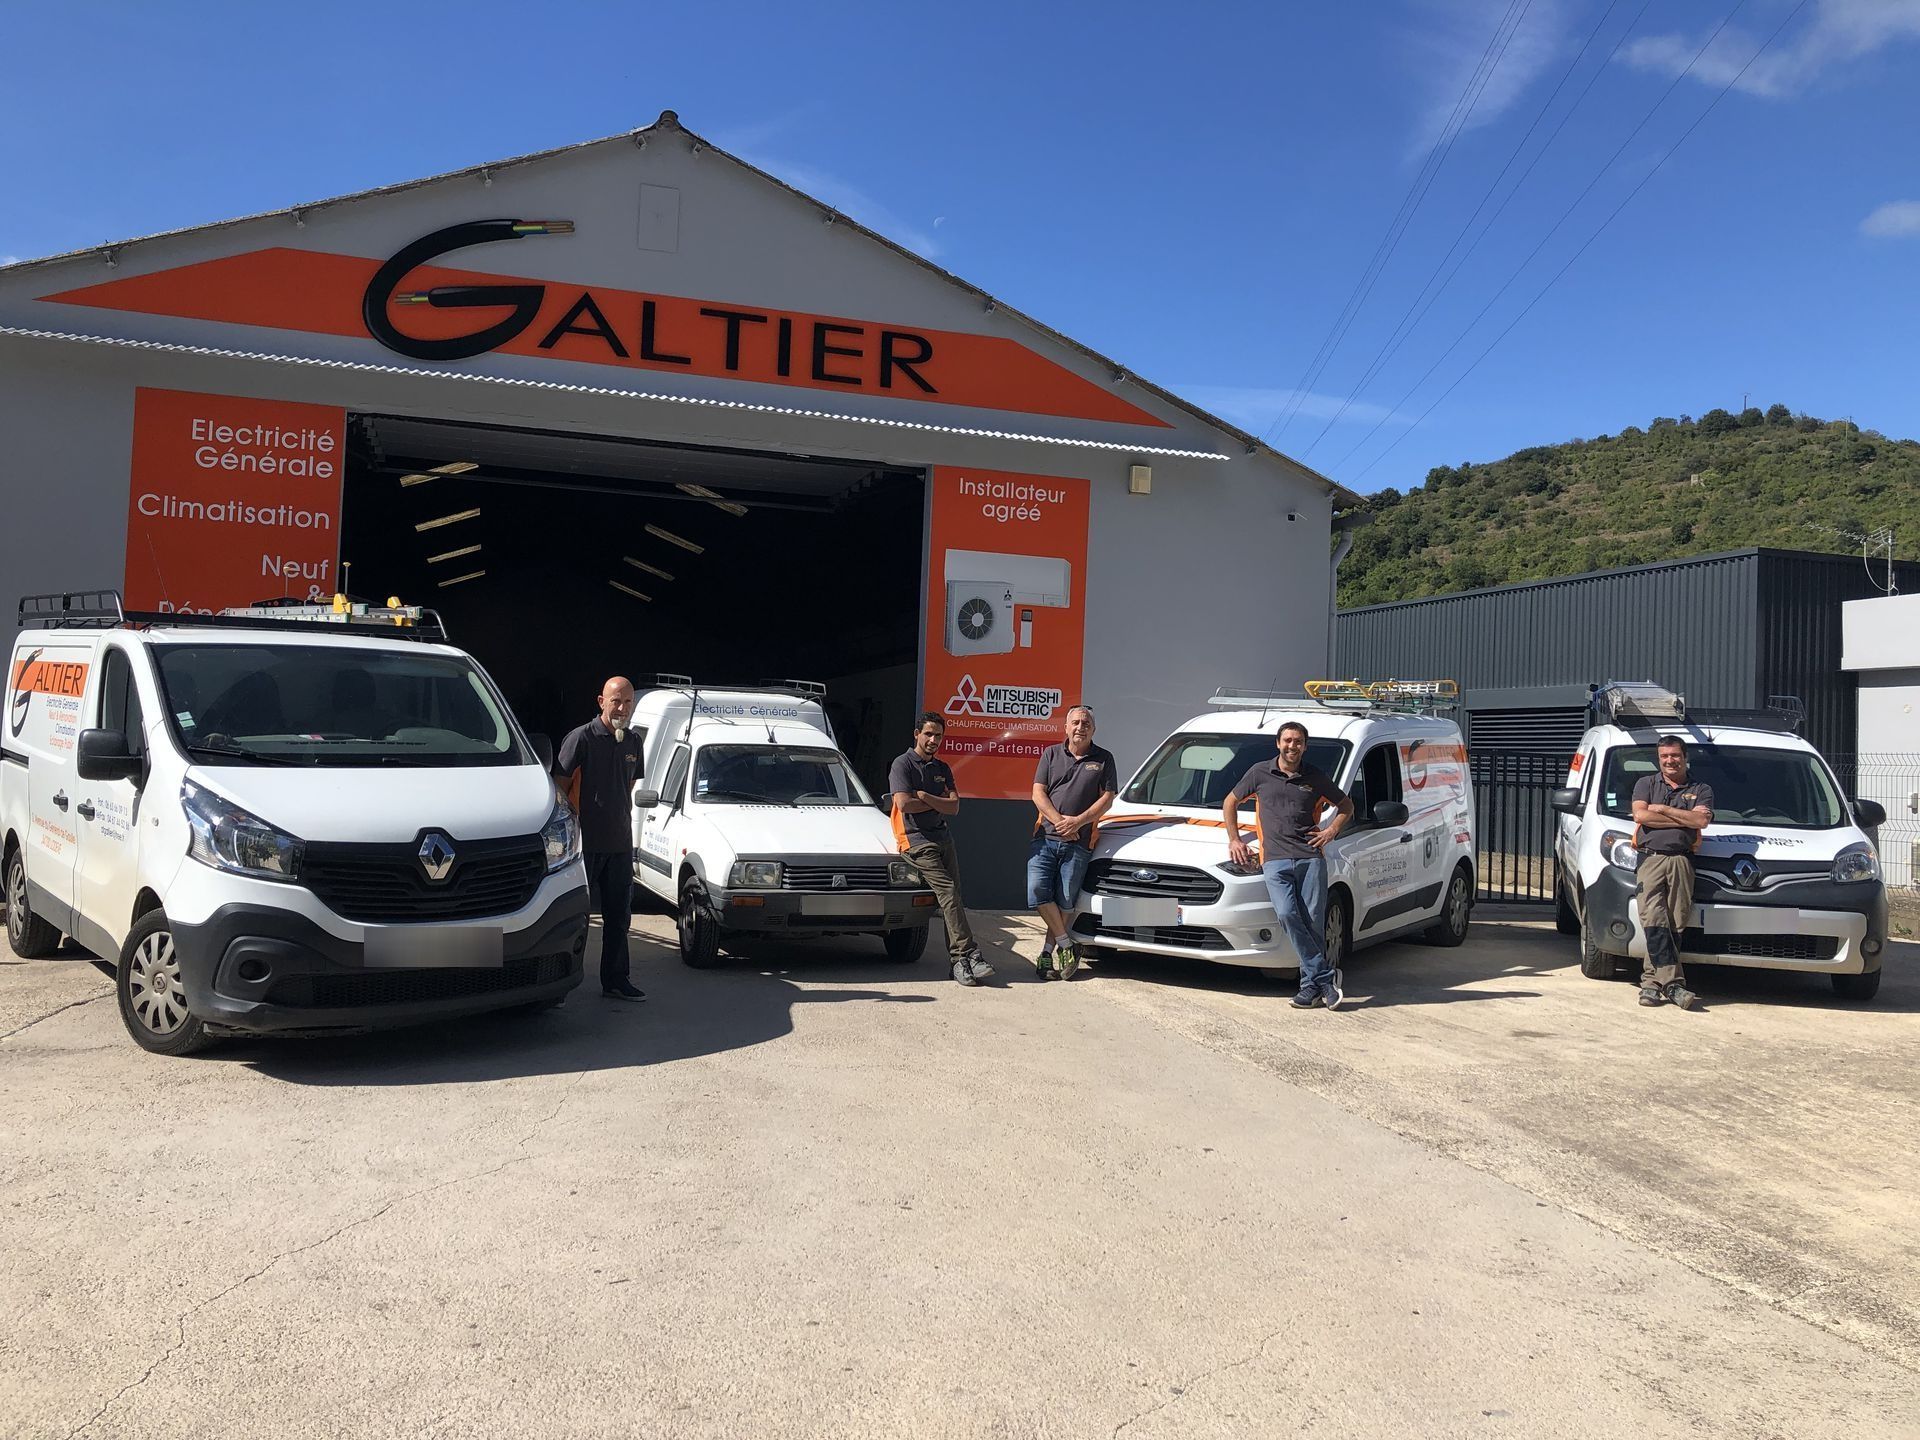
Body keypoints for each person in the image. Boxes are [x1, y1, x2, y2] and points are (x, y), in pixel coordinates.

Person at [1223, 720, 1354, 1009]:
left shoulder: (1315, 777)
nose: (1291, 745)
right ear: (1278, 743)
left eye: (1297, 741)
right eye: (1287, 740)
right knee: (1286, 914)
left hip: (1310, 858)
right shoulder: (1259, 772)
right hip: (1275, 859)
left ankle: (1309, 989)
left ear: (1304, 746)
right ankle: (1326, 977)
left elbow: (1346, 806)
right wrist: (1234, 840)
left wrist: (1331, 831)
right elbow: (1230, 802)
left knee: (1313, 924)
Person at [558, 676, 648, 1001]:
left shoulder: (634, 742)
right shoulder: (581, 738)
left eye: (627, 702)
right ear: (601, 702)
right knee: (575, 918)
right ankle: (559, 984)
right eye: (616, 701)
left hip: (620, 846)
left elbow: (629, 788)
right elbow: (559, 787)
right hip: (585, 847)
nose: (622, 708)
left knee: (618, 918)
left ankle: (615, 981)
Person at [889, 713, 993, 986]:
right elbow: (904, 805)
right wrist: (937, 801)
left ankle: (960, 959)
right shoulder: (902, 765)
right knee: (947, 891)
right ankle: (966, 956)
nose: (933, 740)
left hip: (943, 837)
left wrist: (924, 796)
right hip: (915, 840)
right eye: (929, 734)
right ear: (916, 734)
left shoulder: (943, 768)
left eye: (938, 736)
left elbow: (955, 807)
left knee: (954, 896)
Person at [1027, 705, 1118, 979]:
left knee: (1065, 900)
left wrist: (1077, 822)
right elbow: (1037, 793)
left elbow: (1108, 798)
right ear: (1066, 727)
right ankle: (1067, 945)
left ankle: (1046, 953)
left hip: (1079, 841)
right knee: (1037, 892)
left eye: (1086, 722)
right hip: (1045, 838)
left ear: (1094, 728)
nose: (1081, 726)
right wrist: (1059, 821)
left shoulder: (1104, 759)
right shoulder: (1051, 754)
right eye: (1076, 722)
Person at [1631, 735, 1712, 1010]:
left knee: (1676, 922)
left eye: (1674, 755)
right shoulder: (1646, 784)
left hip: (1682, 861)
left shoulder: (1700, 788)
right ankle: (1674, 985)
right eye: (1664, 756)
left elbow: (1701, 820)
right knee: (1653, 918)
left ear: (1685, 756)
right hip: (1650, 860)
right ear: (1658, 758)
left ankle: (1651, 985)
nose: (1669, 760)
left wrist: (1664, 809)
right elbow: (1641, 816)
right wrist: (1681, 818)